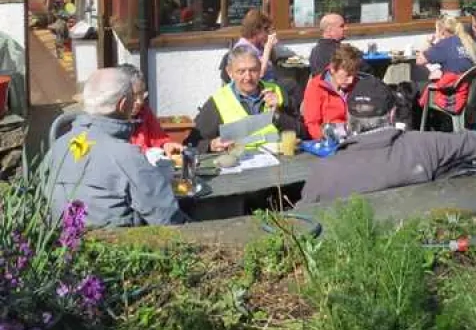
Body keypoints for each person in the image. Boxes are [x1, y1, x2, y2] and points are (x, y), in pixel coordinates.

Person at [297, 75, 476, 204]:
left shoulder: (324, 172)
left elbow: (301, 221)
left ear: (348, 119)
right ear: (392, 115)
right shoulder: (425, 145)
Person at [42, 67, 187, 228]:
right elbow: (169, 220)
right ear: (123, 104)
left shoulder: (58, 147)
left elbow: (39, 198)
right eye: (134, 97)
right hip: (118, 247)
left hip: (62, 244)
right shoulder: (127, 156)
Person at [186, 46, 302, 153]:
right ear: (230, 72)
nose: (248, 77)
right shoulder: (218, 101)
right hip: (240, 168)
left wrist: (278, 117)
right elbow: (192, 143)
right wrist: (211, 145)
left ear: (261, 68)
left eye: (253, 70)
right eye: (241, 72)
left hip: (281, 165)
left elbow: (303, 132)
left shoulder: (277, 91)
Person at [416, 14, 476, 114]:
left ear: (442, 31)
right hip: (469, 95)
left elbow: (419, 61)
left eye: (436, 30)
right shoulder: (468, 41)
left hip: (452, 97)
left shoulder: (445, 44)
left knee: (422, 86)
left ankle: (424, 123)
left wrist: (427, 42)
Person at [302, 42, 363, 140]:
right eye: (347, 75)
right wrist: (326, 138)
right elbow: (312, 124)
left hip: (356, 137)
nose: (351, 80)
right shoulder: (316, 86)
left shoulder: (358, 84)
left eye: (354, 75)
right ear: (333, 69)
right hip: (330, 139)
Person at [120, 64, 183, 155]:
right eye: (133, 95)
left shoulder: (145, 112)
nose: (139, 101)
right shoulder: (111, 121)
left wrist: (166, 145)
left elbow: (158, 138)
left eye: (141, 94)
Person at [233, 9, 278, 80]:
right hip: (259, 86)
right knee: (292, 85)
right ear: (256, 29)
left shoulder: (258, 44)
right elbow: (260, 74)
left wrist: (269, 46)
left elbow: (273, 61)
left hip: (270, 81)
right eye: (266, 29)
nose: (268, 32)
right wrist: (268, 47)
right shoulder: (243, 48)